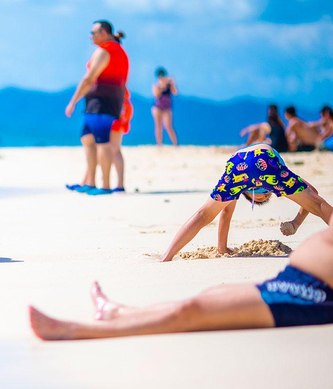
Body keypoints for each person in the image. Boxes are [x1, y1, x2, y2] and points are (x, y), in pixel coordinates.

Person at [29, 212, 333, 340]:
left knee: (193, 312)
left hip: (309, 296)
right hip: (292, 280)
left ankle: (76, 331)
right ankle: (118, 312)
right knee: (209, 296)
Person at [160, 143, 332, 262]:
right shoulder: (276, 178)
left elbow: (226, 213)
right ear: (247, 193)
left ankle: (167, 256)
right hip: (266, 158)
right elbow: (313, 196)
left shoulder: (237, 187)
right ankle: (167, 255)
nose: (265, 194)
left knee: (203, 214)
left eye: (266, 193)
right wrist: (295, 223)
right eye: (264, 194)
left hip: (237, 163)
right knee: (317, 205)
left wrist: (222, 248)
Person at [65, 20, 129, 196]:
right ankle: (90, 181)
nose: (90, 36)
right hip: (103, 103)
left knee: (104, 144)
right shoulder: (119, 52)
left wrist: (73, 101)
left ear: (104, 33)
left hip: (102, 104)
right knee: (88, 139)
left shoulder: (106, 51)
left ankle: (106, 185)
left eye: (93, 33)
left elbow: (89, 78)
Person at [151, 67, 178, 147]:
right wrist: (162, 86)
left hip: (167, 108)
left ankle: (175, 144)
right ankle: (159, 145)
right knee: (158, 126)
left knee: (168, 126)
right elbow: (156, 94)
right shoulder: (156, 85)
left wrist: (172, 83)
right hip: (157, 108)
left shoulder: (169, 85)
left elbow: (175, 93)